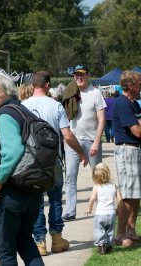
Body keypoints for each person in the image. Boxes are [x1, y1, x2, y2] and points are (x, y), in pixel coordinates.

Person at [22, 71, 88, 256]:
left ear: (32, 85)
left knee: (36, 202)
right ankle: (57, 239)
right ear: (48, 85)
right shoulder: (56, 106)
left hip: (31, 162)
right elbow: (67, 135)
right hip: (53, 161)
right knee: (56, 199)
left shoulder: (22, 106)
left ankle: (40, 242)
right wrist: (81, 153)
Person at [0, 72, 44, 265]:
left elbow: (13, 151)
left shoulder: (6, 114)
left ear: (7, 92)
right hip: (31, 189)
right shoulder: (22, 110)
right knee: (24, 241)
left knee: (6, 250)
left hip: (11, 192)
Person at [63, 64, 106, 221]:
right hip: (73, 141)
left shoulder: (96, 93)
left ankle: (102, 207)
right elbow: (65, 118)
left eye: (81, 74)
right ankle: (70, 210)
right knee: (70, 176)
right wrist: (65, 139)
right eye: (76, 75)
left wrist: (96, 142)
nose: (78, 77)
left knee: (99, 175)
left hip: (91, 140)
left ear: (88, 75)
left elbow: (102, 121)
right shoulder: (70, 92)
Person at [112, 70, 141, 247]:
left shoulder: (134, 105)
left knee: (136, 194)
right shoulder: (122, 103)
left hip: (134, 150)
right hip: (127, 151)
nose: (140, 87)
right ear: (130, 85)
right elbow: (137, 130)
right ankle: (120, 234)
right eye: (139, 84)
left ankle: (131, 230)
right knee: (128, 195)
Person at [84, 163, 122, 255]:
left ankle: (101, 247)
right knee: (110, 230)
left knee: (99, 230)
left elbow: (92, 199)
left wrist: (89, 209)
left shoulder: (97, 187)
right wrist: (118, 209)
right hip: (111, 213)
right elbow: (120, 199)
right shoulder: (114, 187)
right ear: (108, 173)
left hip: (100, 213)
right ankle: (109, 246)